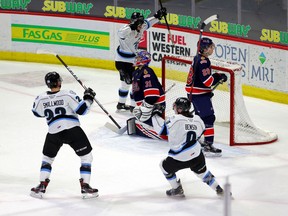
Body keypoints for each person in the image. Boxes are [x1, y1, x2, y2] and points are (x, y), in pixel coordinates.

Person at [30, 71, 98, 199]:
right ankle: (85, 187)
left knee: (47, 159)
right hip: (72, 130)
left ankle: (41, 186)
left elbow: (36, 113)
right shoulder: (67, 94)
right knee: (86, 157)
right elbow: (82, 110)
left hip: (53, 132)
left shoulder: (40, 98)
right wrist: (88, 99)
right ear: (59, 82)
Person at [159, 97, 227, 197]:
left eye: (176, 107)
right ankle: (220, 190)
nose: (174, 108)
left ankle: (177, 189)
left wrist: (154, 114)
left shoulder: (174, 119)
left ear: (180, 109)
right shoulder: (198, 119)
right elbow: (200, 133)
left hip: (180, 157)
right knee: (203, 174)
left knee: (163, 166)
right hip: (196, 155)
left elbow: (162, 132)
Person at [115, 8, 167, 111]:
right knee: (131, 83)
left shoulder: (141, 26)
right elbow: (120, 33)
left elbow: (149, 22)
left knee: (129, 84)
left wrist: (157, 16)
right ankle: (133, 106)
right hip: (122, 62)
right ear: (134, 23)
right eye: (138, 23)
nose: (141, 25)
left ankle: (124, 104)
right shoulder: (126, 30)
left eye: (141, 22)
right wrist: (132, 26)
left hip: (132, 60)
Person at [185, 37, 227, 157]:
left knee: (199, 118)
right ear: (204, 49)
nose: (212, 49)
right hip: (198, 93)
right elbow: (208, 82)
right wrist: (219, 76)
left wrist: (206, 92)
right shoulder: (204, 61)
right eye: (209, 47)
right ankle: (208, 144)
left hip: (194, 92)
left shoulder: (198, 58)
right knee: (209, 118)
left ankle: (195, 139)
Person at [127, 50, 168, 140]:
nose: (136, 59)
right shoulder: (136, 72)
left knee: (140, 127)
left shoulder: (147, 72)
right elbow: (135, 91)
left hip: (154, 106)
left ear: (144, 60)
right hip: (145, 106)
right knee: (137, 124)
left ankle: (169, 133)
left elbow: (152, 95)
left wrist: (145, 108)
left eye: (138, 57)